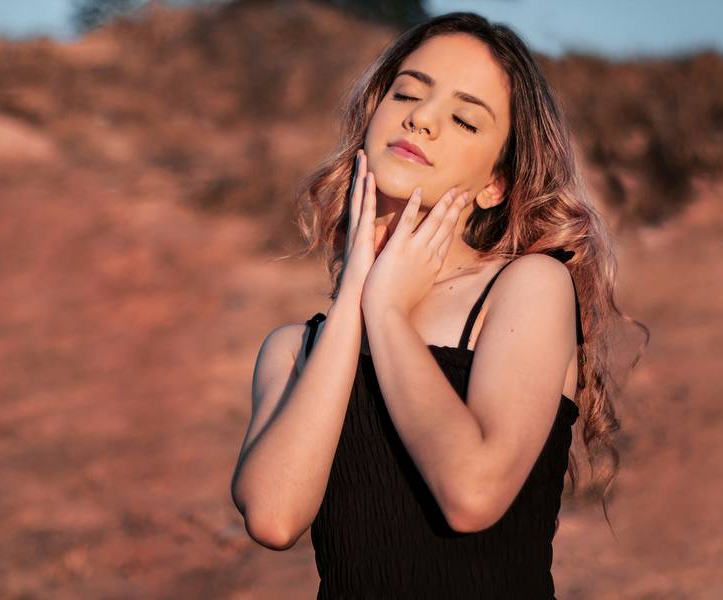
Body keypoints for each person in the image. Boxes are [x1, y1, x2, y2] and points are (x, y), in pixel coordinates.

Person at [231, 11, 648, 599]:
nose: (421, 119)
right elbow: (274, 519)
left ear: (495, 185)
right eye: (407, 94)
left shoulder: (528, 288)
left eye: (463, 119)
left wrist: (388, 314)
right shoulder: (291, 350)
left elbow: (472, 494)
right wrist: (354, 300)